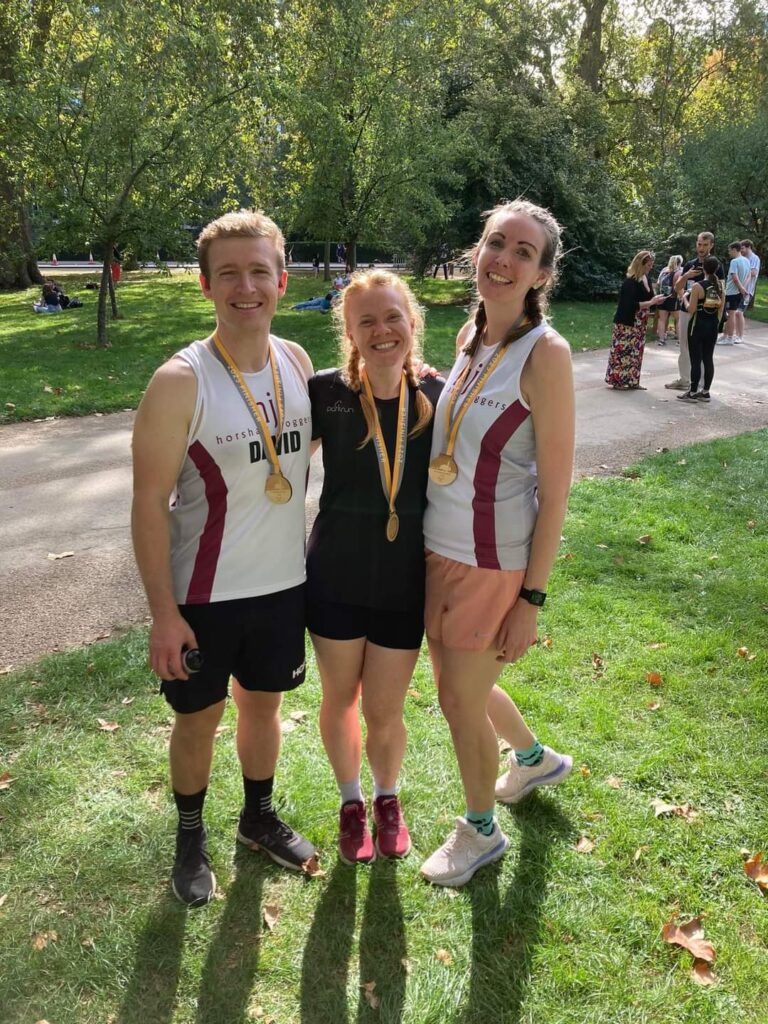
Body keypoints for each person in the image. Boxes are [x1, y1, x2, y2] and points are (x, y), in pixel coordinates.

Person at [131, 209, 317, 908]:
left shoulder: (296, 361)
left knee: (263, 709)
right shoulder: (180, 381)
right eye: (230, 274)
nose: (247, 287)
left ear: (282, 279)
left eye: (259, 272)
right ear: (207, 286)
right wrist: (162, 615)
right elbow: (149, 503)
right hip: (203, 595)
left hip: (282, 586)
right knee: (198, 718)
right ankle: (188, 836)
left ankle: (257, 817)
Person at [418, 200, 575, 887]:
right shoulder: (470, 336)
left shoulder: (547, 355)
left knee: (457, 699)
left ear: (542, 273)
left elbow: (556, 490)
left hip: (492, 561)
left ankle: (480, 832)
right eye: (494, 243)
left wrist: (531, 599)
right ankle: (533, 759)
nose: (503, 259)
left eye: (522, 252)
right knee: (465, 684)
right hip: (436, 550)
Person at [306, 270, 443, 864]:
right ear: (350, 332)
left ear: (412, 323)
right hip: (334, 575)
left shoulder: (439, 396)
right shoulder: (325, 393)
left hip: (402, 582)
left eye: (393, 317)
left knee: (386, 709)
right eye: (367, 321)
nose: (382, 330)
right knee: (339, 698)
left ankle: (388, 798)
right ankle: (351, 802)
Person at [665, 232, 723, 391]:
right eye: (699, 244)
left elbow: (721, 293)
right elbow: (677, 288)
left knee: (703, 351)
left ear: (711, 245)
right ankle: (685, 380)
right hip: (686, 311)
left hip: (704, 314)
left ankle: (701, 386)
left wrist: (718, 318)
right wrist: (685, 276)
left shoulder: (716, 265)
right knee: (684, 345)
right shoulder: (690, 264)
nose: (701, 248)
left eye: (705, 245)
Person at [604, 251, 666, 390]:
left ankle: (633, 380)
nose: (650, 268)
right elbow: (630, 304)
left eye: (651, 265)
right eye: (648, 265)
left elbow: (649, 298)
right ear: (640, 264)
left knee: (636, 351)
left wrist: (656, 300)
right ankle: (618, 380)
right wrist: (650, 302)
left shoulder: (646, 279)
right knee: (623, 351)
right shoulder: (630, 282)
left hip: (640, 321)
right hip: (627, 320)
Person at [676, 256, 725, 403]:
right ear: (717, 269)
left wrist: (684, 296)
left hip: (697, 326)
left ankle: (692, 392)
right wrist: (715, 323)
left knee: (696, 359)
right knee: (708, 358)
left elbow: (691, 309)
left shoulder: (698, 287)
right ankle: (705, 392)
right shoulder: (721, 287)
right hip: (712, 326)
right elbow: (721, 310)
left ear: (703, 268)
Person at [719, 241, 751, 345]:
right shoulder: (746, 260)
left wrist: (741, 288)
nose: (729, 253)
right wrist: (743, 288)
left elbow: (735, 277)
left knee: (730, 315)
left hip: (732, 292)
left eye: (729, 250)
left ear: (734, 250)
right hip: (739, 292)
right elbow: (749, 275)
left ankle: (729, 337)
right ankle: (725, 335)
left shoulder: (735, 261)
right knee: (730, 314)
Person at [655, 255, 682, 345]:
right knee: (679, 319)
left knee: (662, 319)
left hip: (662, 297)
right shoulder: (678, 272)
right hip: (672, 298)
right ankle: (679, 341)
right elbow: (678, 287)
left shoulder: (664, 270)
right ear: (680, 263)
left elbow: (658, 283)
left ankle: (661, 340)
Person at [740, 239, 761, 313]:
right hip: (738, 289)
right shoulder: (742, 258)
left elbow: (753, 273)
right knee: (732, 313)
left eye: (742, 248)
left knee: (739, 313)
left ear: (748, 247)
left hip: (747, 292)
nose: (741, 251)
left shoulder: (755, 258)